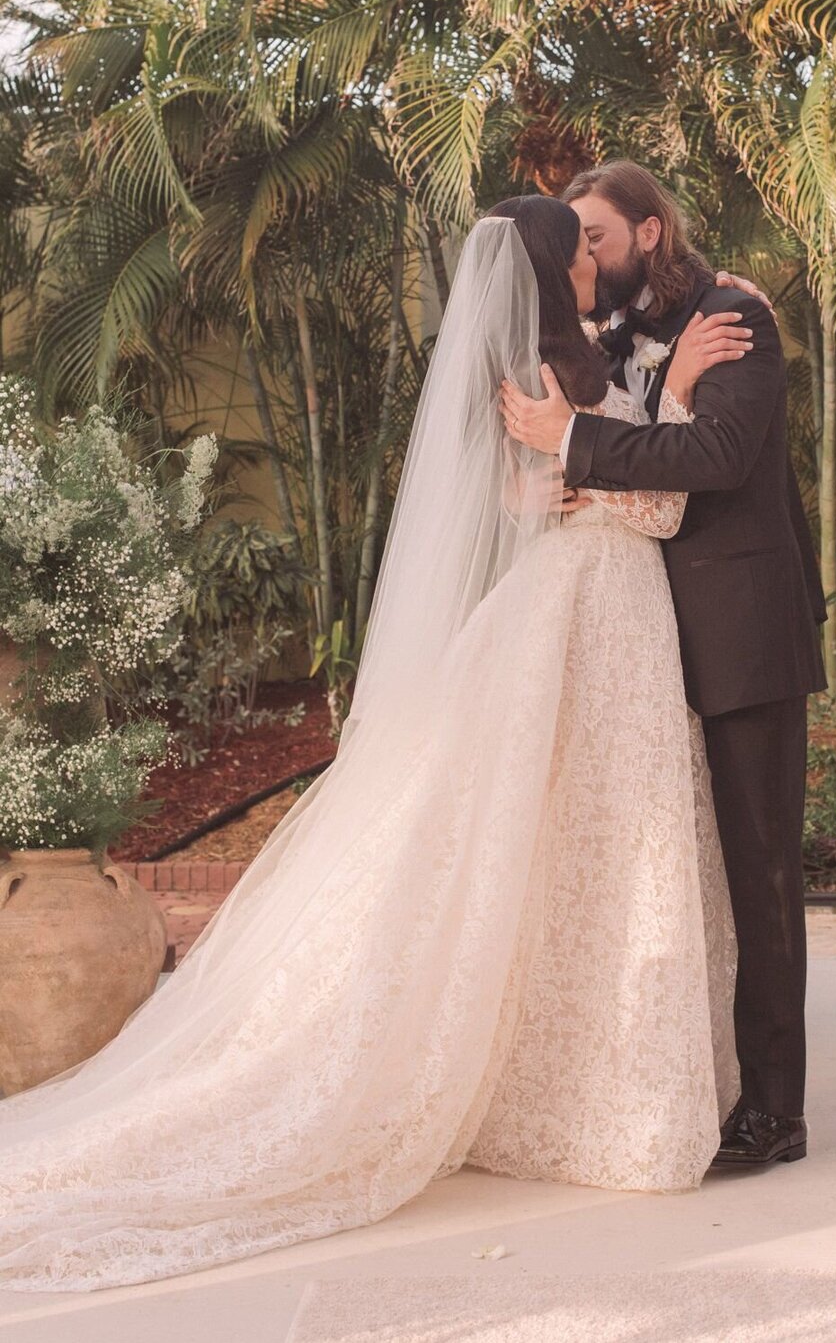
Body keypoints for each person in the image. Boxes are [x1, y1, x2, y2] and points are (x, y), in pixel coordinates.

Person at [0, 200, 742, 1293]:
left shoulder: (578, 358)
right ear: (549, 264)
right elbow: (641, 510)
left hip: (601, 619)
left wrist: (610, 450)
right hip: (587, 610)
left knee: (576, 855)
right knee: (569, 846)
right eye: (581, 246)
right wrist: (667, 413)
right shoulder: (549, 370)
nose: (598, 257)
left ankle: (572, 1078)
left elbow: (562, 488)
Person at [500, 162, 828, 1169]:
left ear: (647, 232)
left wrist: (578, 442)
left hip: (737, 637)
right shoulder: (590, 338)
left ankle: (776, 1111)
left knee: (759, 868)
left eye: (594, 235)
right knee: (671, 881)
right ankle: (699, 1076)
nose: (581, 253)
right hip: (635, 648)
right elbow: (547, 453)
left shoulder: (736, 318)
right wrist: (551, 468)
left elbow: (717, 458)